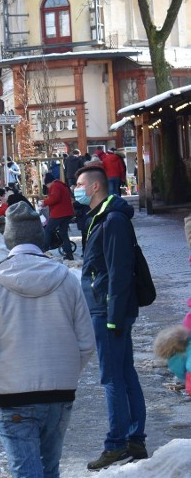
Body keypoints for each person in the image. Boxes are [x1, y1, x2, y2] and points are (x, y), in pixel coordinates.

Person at [0, 202, 96, 478]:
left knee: (26, 471)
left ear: (8, 238)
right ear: (39, 236)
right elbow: (86, 343)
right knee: (49, 469)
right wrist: (64, 373)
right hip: (59, 394)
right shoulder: (66, 278)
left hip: (9, 395)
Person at [75, 165, 148, 469]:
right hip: (105, 306)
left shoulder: (113, 220)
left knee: (112, 378)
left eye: (79, 184)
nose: (74, 189)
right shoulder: (100, 218)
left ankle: (117, 443)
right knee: (123, 372)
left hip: (108, 310)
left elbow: (119, 272)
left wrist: (114, 317)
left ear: (94, 188)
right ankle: (134, 439)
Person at [43, 172, 75, 260]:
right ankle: (69, 253)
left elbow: (54, 198)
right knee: (63, 233)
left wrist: (44, 202)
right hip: (67, 212)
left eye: (46, 185)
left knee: (48, 230)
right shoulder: (61, 185)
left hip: (59, 213)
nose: (47, 187)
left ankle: (44, 250)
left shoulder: (54, 186)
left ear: (48, 182)